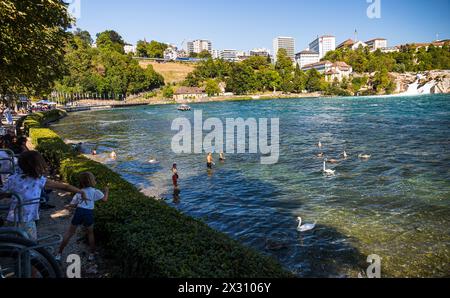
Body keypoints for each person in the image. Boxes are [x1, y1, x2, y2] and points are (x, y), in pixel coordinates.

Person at [0, 151, 87, 241]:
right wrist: (81, 191)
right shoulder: (39, 180)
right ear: (37, 167)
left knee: (13, 241)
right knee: (30, 244)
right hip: (28, 221)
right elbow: (65, 186)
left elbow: (3, 194)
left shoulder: (13, 178)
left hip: (12, 218)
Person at [56, 172, 109, 262]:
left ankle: (59, 254)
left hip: (79, 212)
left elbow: (73, 205)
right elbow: (105, 200)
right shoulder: (95, 191)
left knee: (69, 233)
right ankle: (91, 254)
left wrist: (69, 206)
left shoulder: (79, 192)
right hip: (88, 213)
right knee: (90, 234)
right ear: (92, 181)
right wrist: (106, 191)